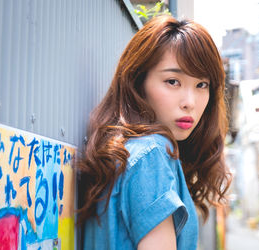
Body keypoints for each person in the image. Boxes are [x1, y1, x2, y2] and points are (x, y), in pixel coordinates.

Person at [77, 15, 232, 250]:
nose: (190, 102)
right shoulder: (151, 155)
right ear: (138, 82)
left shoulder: (122, 152)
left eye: (202, 85)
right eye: (172, 81)